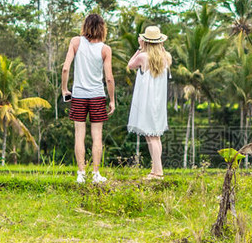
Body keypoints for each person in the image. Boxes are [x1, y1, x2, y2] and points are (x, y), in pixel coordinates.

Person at [61, 14, 116, 184]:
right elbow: (109, 78)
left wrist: (64, 89)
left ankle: (81, 173)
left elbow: (65, 68)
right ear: (102, 28)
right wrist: (112, 100)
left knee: (79, 134)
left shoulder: (76, 42)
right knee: (97, 135)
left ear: (85, 26)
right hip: (97, 95)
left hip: (78, 95)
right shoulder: (105, 49)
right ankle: (96, 174)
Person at [126, 25, 171, 180]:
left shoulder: (143, 57)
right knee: (155, 136)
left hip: (146, 101)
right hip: (158, 102)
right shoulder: (166, 57)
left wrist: (139, 48)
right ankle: (155, 169)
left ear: (145, 41)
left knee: (151, 136)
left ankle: (158, 172)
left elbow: (130, 65)